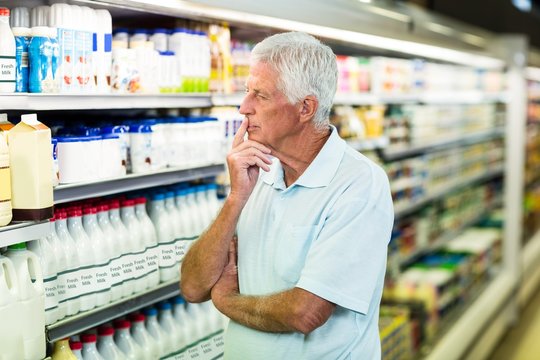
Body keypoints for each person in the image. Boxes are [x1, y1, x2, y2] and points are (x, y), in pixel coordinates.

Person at [180, 31, 393, 359]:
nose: (243, 107)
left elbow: (305, 312)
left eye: (260, 96)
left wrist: (228, 301)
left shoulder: (359, 184)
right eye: (247, 91)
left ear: (305, 108)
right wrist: (236, 197)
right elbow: (194, 287)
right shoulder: (257, 172)